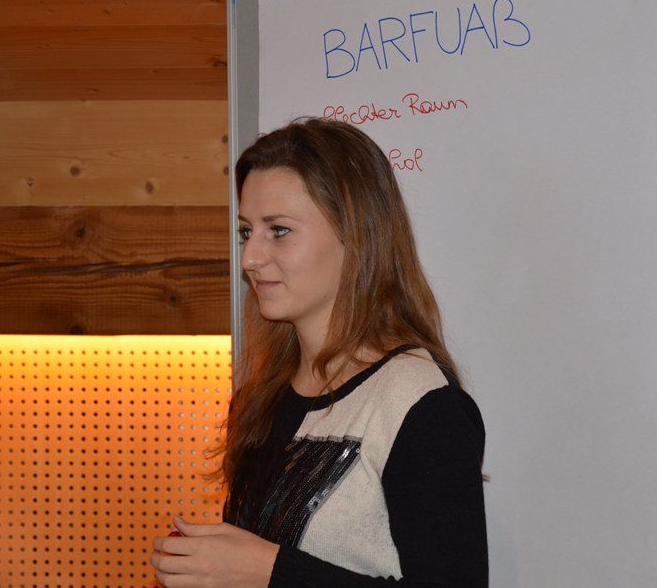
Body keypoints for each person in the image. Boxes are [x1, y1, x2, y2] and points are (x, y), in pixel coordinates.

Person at [150, 118, 488, 587]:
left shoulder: (421, 404)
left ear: (356, 236)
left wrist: (266, 571)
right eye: (247, 232)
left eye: (279, 230)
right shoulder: (262, 398)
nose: (250, 259)